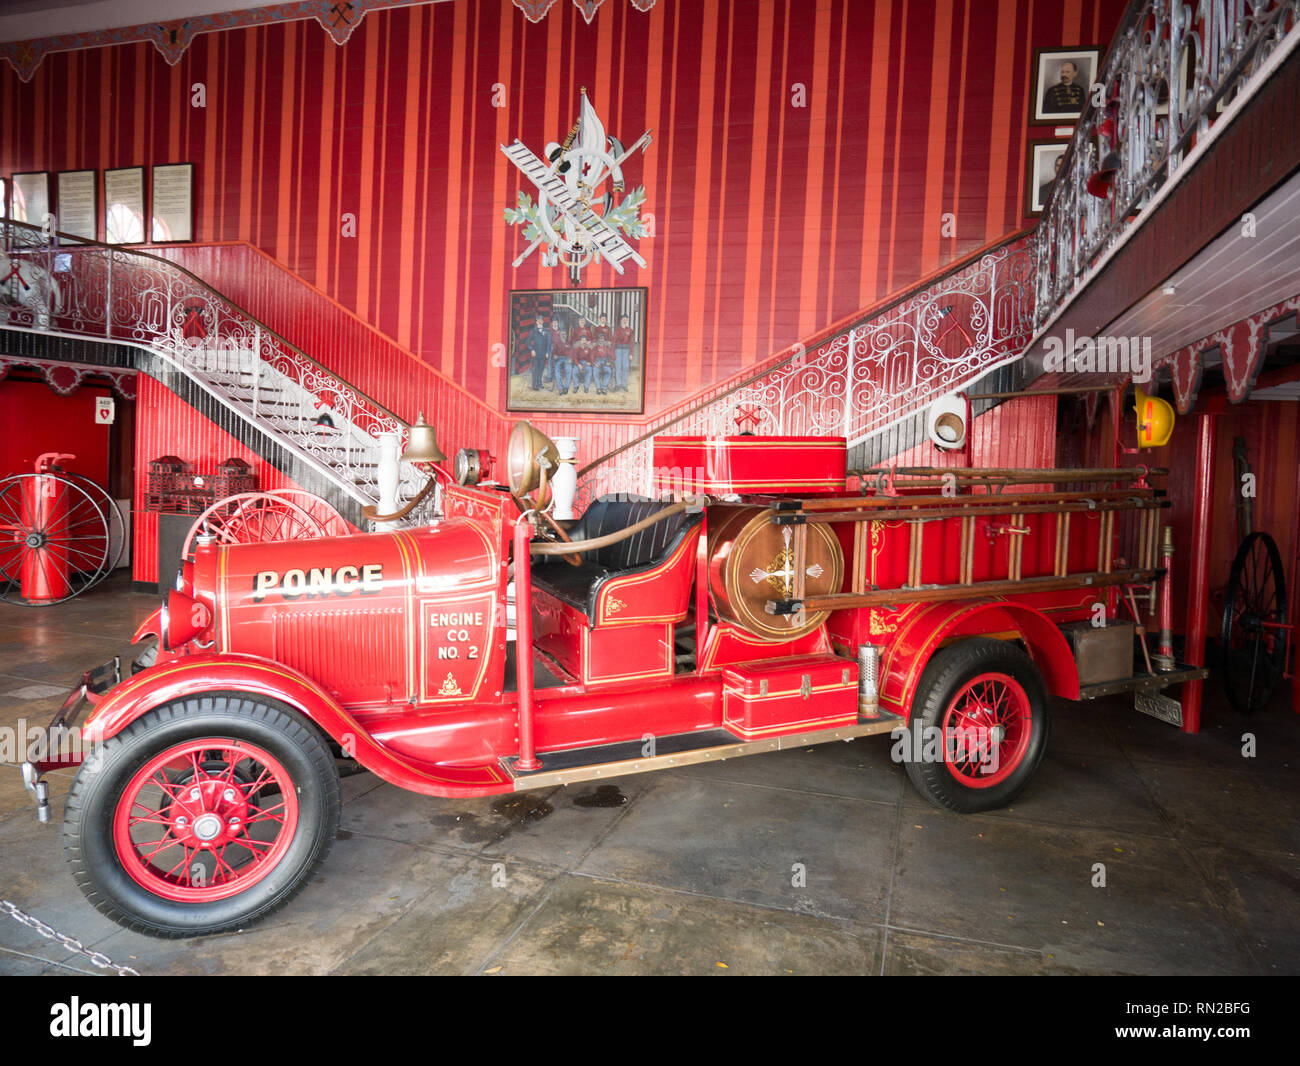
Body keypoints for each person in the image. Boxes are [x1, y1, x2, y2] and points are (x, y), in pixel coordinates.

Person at [525, 312, 552, 392]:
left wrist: (547, 352)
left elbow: (549, 343)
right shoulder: (533, 331)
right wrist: (532, 350)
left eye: (541, 320)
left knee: (541, 369)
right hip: (536, 354)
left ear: (543, 321)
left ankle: (540, 383)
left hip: (543, 354)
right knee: (535, 369)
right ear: (536, 322)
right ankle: (535, 385)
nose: (540, 322)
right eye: (538, 320)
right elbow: (528, 342)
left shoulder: (546, 331)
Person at [613, 314, 634, 391]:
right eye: (623, 319)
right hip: (618, 350)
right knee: (618, 367)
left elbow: (631, 342)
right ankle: (618, 384)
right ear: (621, 320)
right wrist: (613, 353)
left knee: (625, 368)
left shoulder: (630, 330)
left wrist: (631, 353)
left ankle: (624, 385)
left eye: (626, 319)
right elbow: (613, 342)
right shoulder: (617, 330)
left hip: (626, 351)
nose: (625, 321)